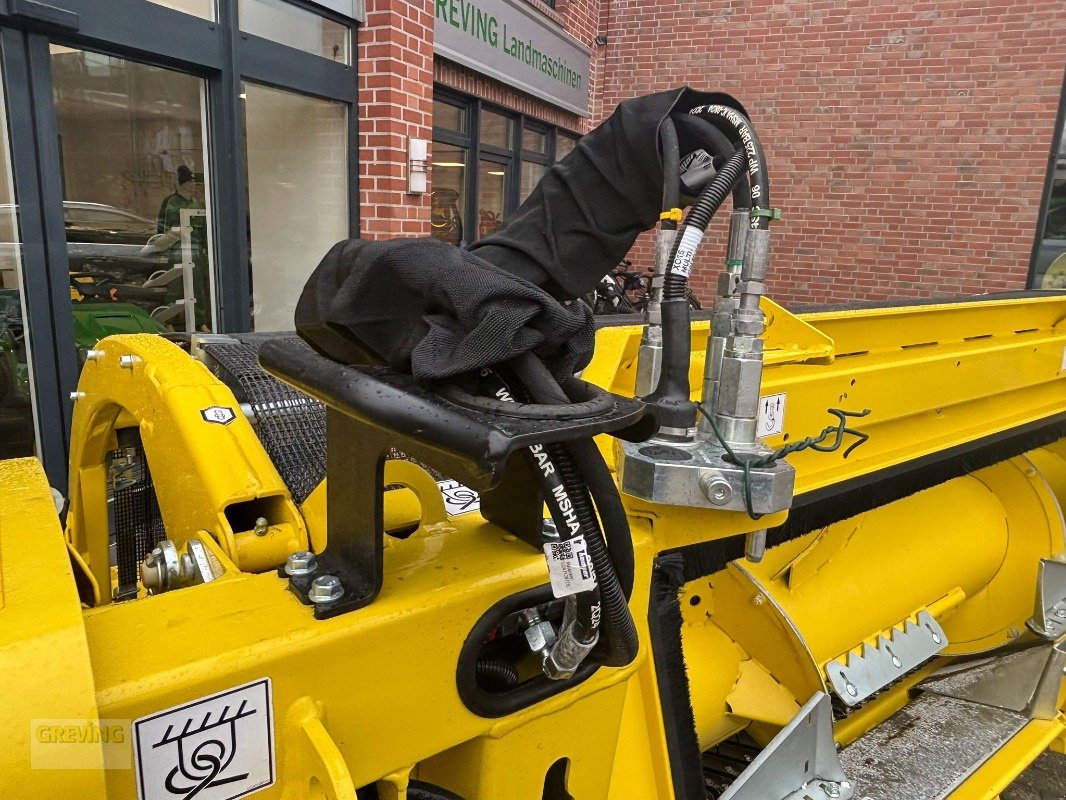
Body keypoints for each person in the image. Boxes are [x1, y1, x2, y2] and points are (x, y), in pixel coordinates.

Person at [156, 166, 209, 329]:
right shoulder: (170, 202)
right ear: (182, 183)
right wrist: (162, 246)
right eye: (190, 182)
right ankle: (170, 321)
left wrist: (206, 249)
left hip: (195, 250)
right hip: (176, 249)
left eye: (194, 182)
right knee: (175, 286)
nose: (193, 185)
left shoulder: (198, 204)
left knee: (197, 287)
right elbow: (161, 226)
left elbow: (205, 228)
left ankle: (200, 322)